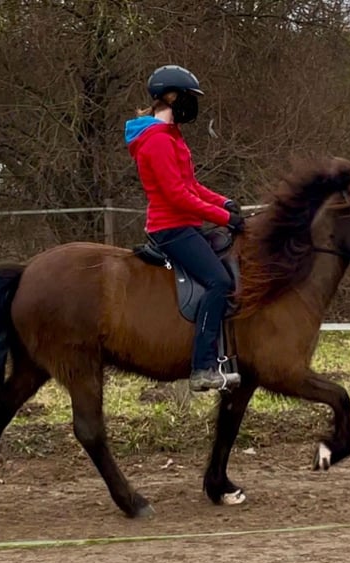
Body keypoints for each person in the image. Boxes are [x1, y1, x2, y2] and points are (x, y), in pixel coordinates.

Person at [124, 64, 245, 392]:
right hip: (171, 229)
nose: (193, 104)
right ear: (170, 97)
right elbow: (177, 196)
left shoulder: (171, 137)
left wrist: (225, 203)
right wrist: (223, 219)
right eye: (189, 97)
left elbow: (191, 185)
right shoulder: (156, 141)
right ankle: (202, 368)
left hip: (185, 224)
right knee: (219, 282)